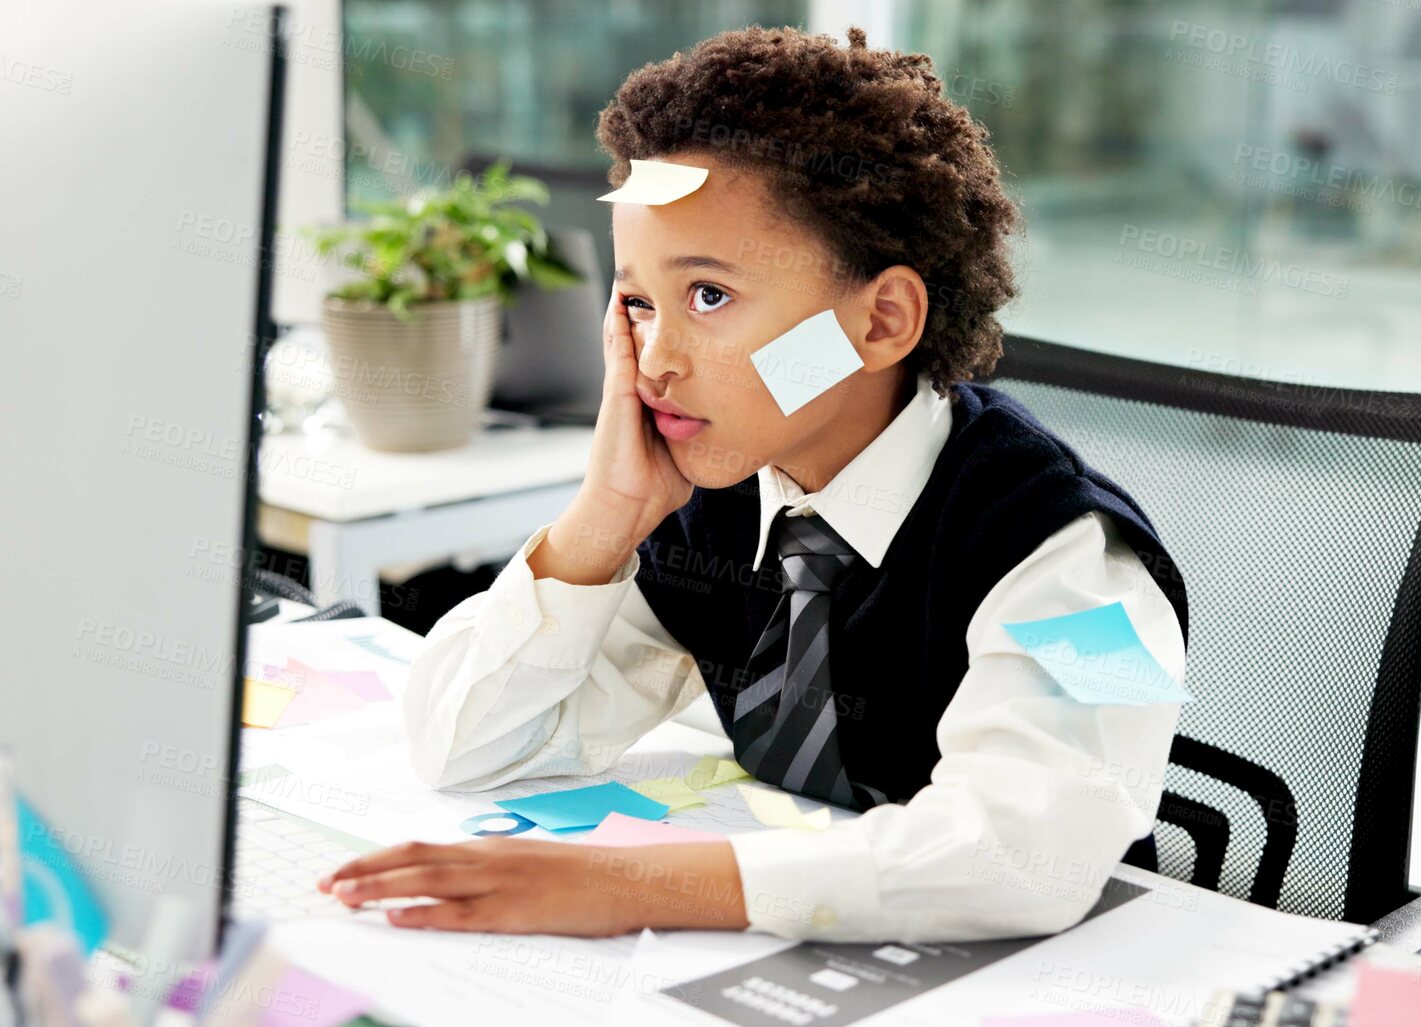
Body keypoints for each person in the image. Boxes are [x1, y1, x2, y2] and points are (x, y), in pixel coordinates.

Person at [319, 24, 1188, 944]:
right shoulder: (713, 502)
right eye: (638, 304)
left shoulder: (1079, 560)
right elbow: (462, 743)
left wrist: (635, 884)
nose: (654, 359)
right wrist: (603, 519)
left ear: (881, 318)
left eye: (709, 297)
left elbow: (1024, 855)